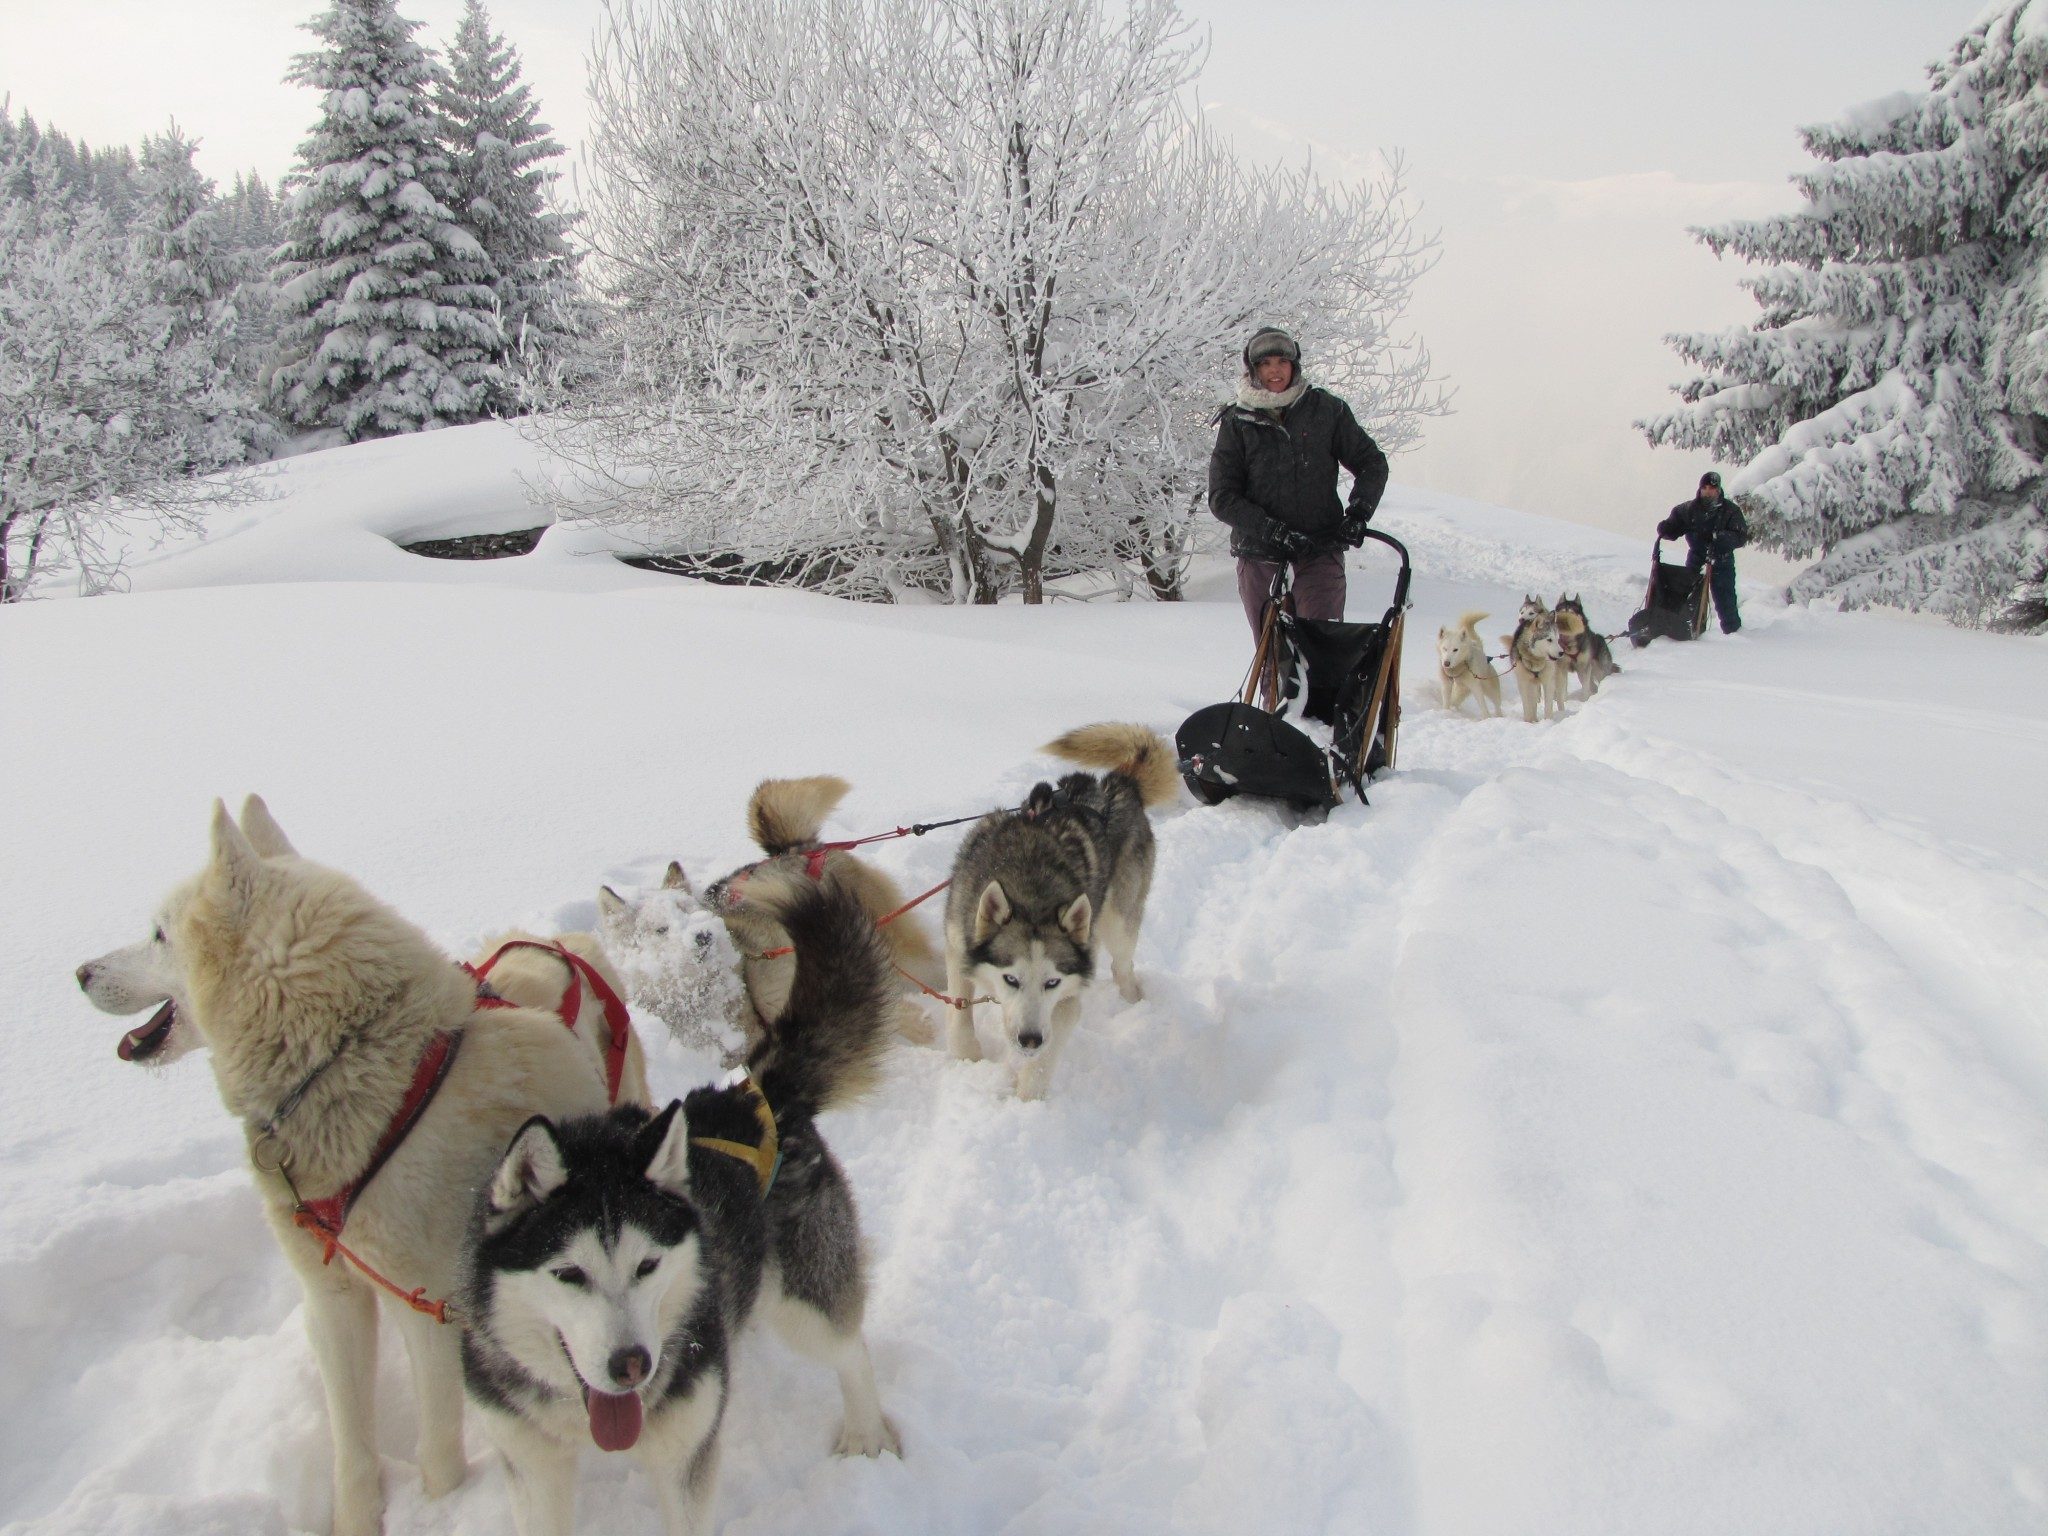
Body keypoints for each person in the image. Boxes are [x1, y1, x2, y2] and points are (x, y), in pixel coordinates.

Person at [1209, 327, 1389, 636]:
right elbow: (1222, 496)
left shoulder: (1326, 410)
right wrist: (1271, 530)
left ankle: (1320, 685)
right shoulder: (1237, 421)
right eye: (1265, 363)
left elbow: (1372, 462)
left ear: (1295, 365)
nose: (1275, 370)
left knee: (1321, 649)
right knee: (1273, 657)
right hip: (1259, 554)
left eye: (1282, 361)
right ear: (1253, 370)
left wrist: (1359, 512)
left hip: (1319, 549)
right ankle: (1276, 687)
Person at [1657, 470, 1749, 634]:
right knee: (1688, 599)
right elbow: (1675, 526)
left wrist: (1716, 537)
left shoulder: (1731, 511)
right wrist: (1667, 529)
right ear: (1700, 489)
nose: (1708, 491)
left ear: (1718, 490)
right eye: (1705, 488)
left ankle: (1734, 635)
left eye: (1712, 488)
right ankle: (1684, 632)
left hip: (1722, 562)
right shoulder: (1688, 509)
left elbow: (1740, 536)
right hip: (1696, 559)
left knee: (1725, 602)